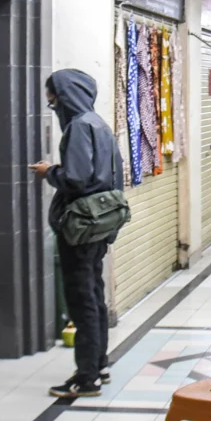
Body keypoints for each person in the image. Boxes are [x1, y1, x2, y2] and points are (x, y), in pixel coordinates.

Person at [30, 69, 124, 398]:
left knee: (81, 300)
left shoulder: (79, 127)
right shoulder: (99, 124)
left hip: (80, 228)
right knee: (94, 295)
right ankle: (99, 364)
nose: (50, 100)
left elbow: (77, 179)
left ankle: (86, 378)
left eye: (52, 94)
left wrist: (49, 172)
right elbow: (115, 176)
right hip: (99, 226)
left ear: (66, 94)